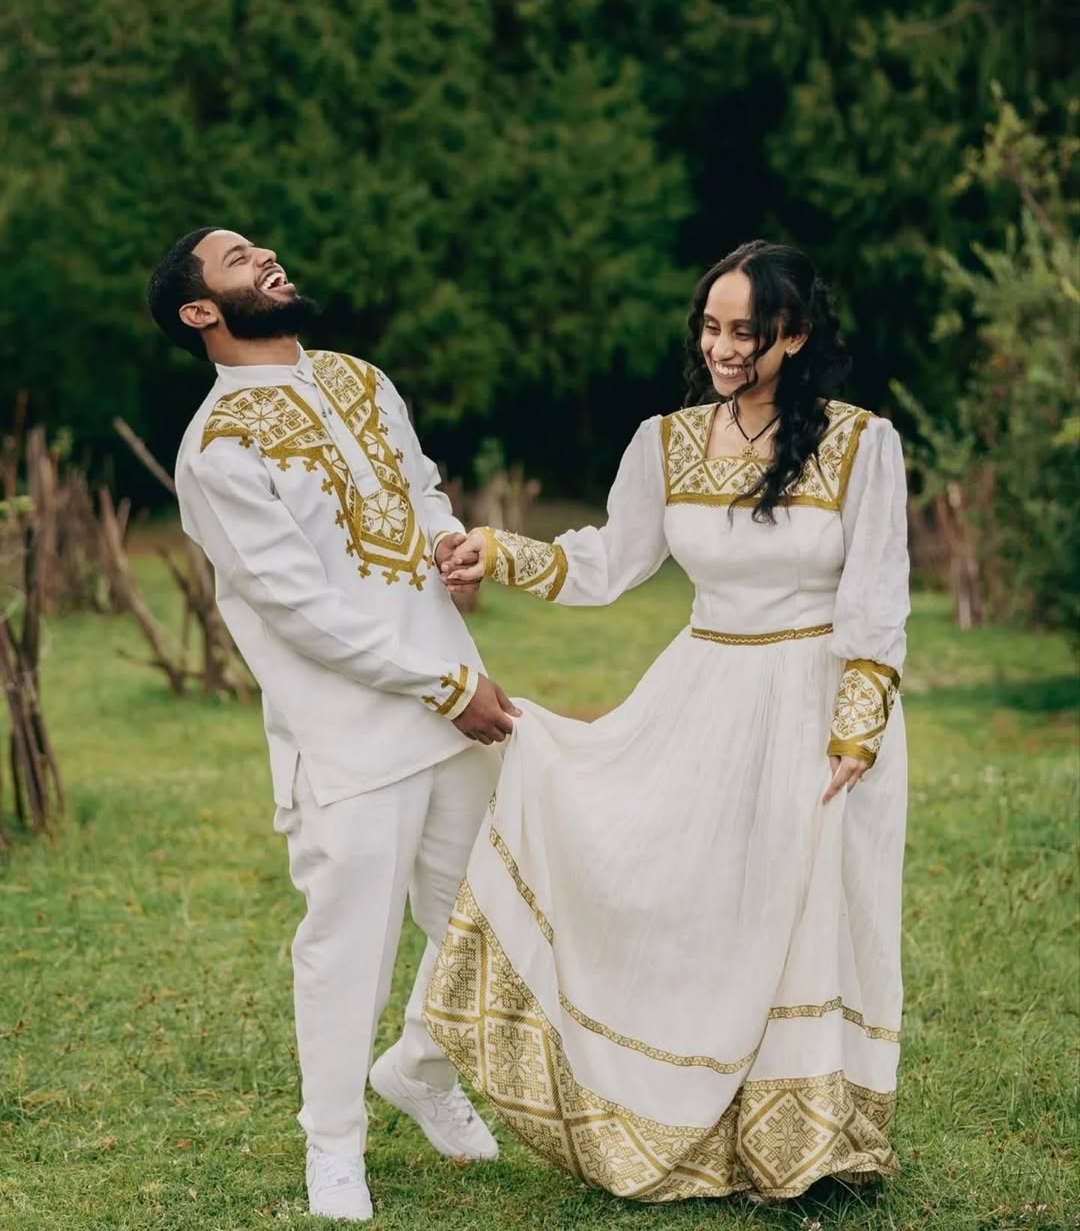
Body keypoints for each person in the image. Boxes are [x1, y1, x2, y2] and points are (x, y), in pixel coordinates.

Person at [429, 240, 910, 1204]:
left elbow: (877, 594)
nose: (724, 347)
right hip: (700, 694)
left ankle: (805, 1147)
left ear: (797, 335)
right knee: (701, 904)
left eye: (747, 330)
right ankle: (680, 1122)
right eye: (713, 326)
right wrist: (499, 551)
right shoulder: (666, 440)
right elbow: (614, 561)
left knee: (806, 909)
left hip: (816, 708)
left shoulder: (863, 442)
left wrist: (855, 729)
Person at [148, 228, 521, 1223]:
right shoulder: (216, 450)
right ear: (201, 311)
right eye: (236, 259)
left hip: (457, 704)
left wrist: (452, 546)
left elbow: (419, 482)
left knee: (488, 925)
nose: (264, 255)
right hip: (351, 733)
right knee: (345, 945)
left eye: (259, 246)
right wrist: (443, 684)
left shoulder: (360, 376)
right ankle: (334, 1153)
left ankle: (420, 1071)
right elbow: (299, 609)